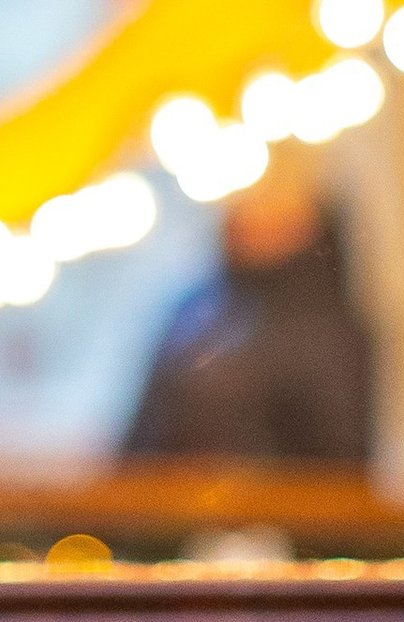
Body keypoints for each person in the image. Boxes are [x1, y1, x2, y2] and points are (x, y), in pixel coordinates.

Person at [122, 156, 375, 465]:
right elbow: (143, 429)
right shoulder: (197, 306)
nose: (248, 212)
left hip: (268, 492)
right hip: (166, 489)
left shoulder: (327, 328)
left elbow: (337, 456)